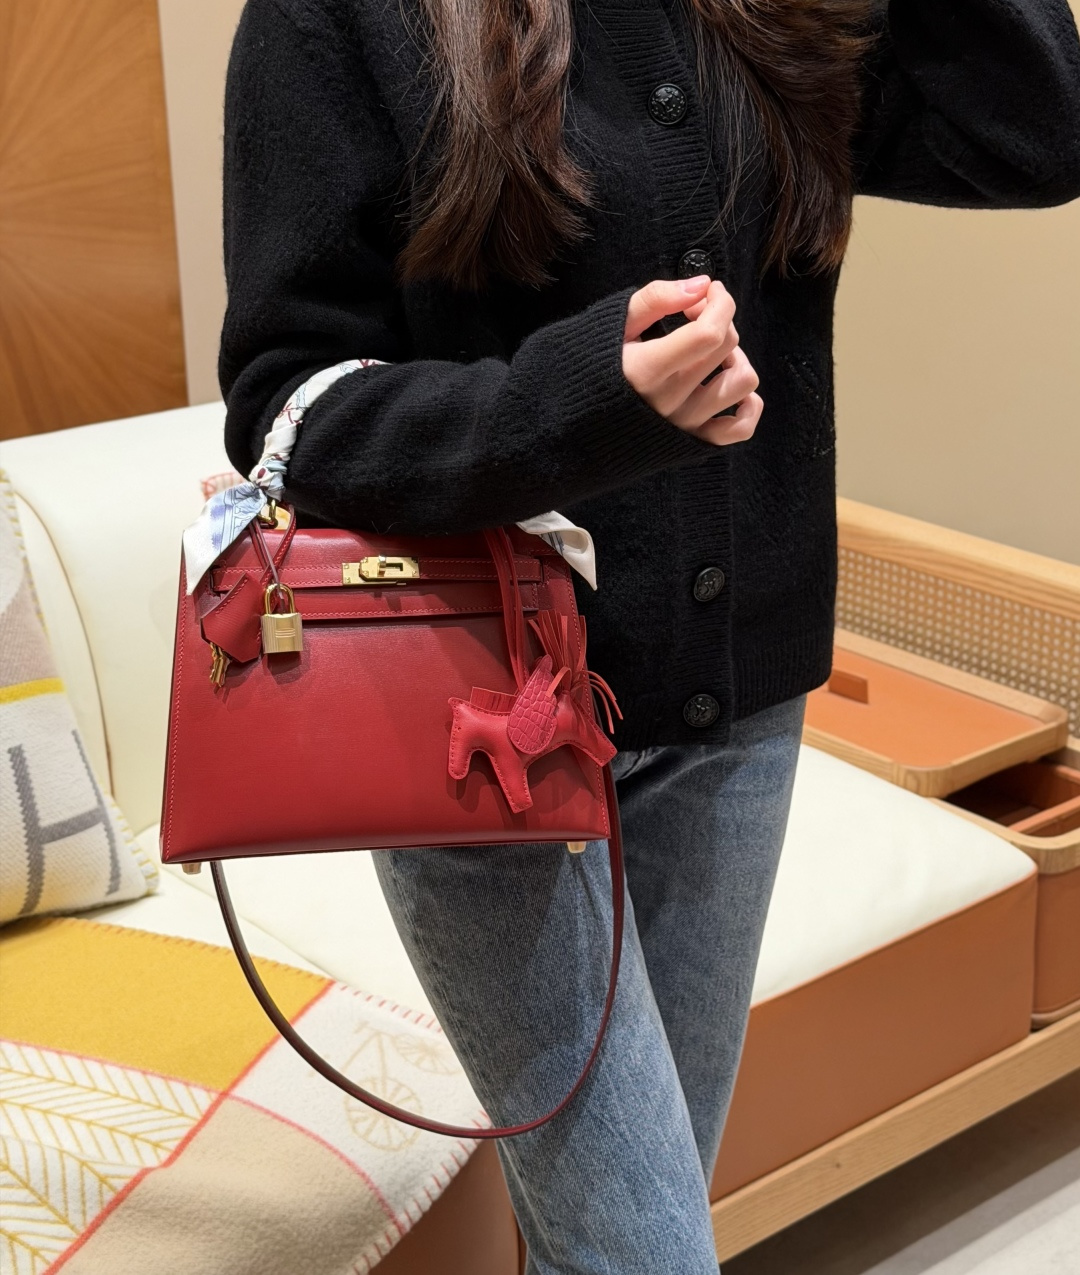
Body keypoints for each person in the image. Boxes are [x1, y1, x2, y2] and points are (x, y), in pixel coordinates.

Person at [217, 0, 1080, 1269]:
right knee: (641, 1250)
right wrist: (579, 402)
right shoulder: (340, 19)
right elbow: (288, 405)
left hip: (736, 715)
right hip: (483, 729)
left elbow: (1039, 136)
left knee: (625, 1221)